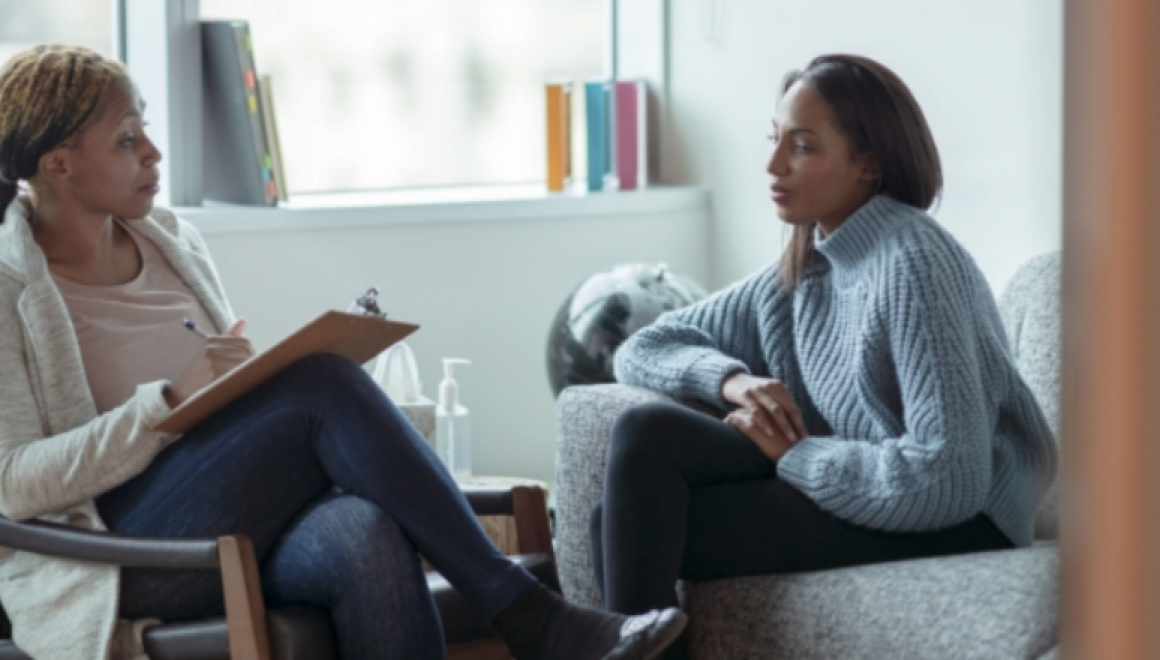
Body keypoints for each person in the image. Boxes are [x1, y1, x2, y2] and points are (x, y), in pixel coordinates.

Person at [0, 45, 686, 660]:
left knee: (365, 535)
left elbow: (221, 408)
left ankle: (539, 622)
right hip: (119, 555)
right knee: (321, 382)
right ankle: (534, 618)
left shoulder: (170, 239)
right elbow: (13, 482)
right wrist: (169, 403)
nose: (152, 152)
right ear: (57, 164)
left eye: (146, 127)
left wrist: (234, 383)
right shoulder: (9, 288)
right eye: (127, 140)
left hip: (231, 517)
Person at [591, 54, 1059, 659]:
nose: (772, 164)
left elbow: (948, 478)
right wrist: (733, 381)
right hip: (862, 473)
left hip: (964, 517)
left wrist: (797, 453)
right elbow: (643, 347)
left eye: (803, 146)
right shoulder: (806, 265)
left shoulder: (914, 261)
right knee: (635, 460)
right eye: (776, 139)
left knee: (629, 507)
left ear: (869, 163)